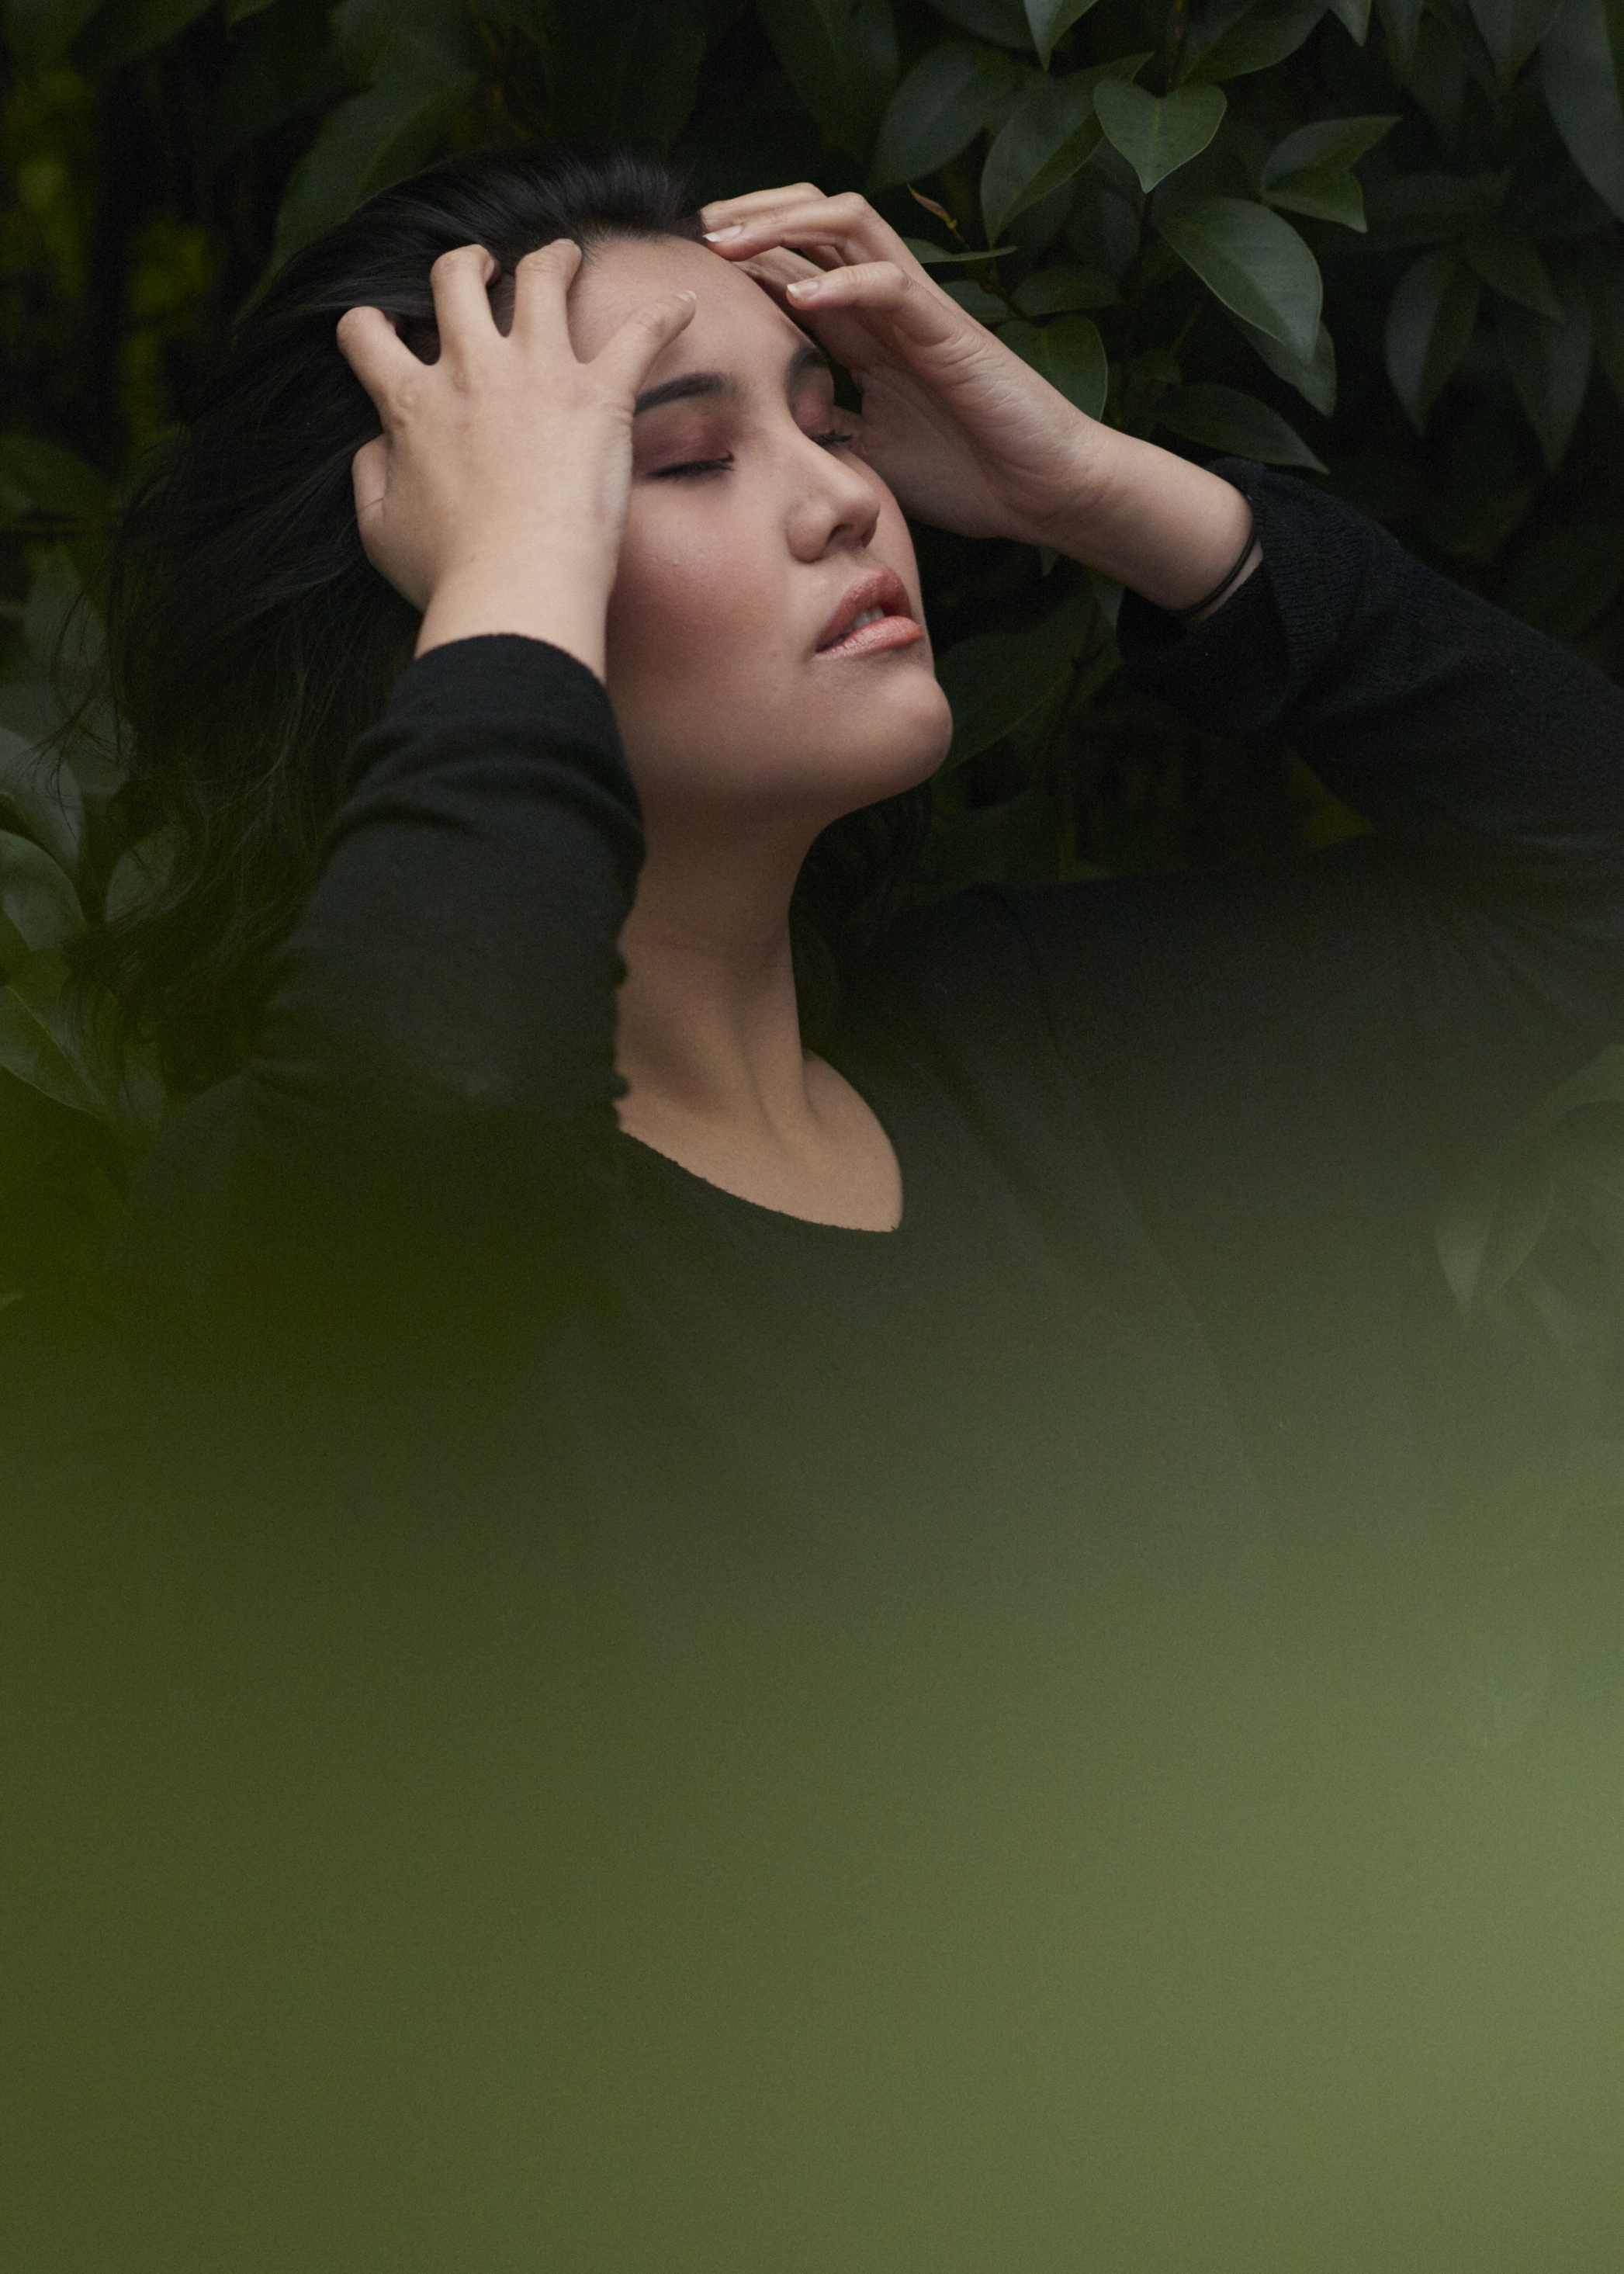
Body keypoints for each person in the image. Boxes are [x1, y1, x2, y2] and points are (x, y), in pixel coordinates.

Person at [11, 141, 1624, 2271]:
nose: (845, 497)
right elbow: (456, 1092)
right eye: (677, 459)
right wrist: (518, 571)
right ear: (461, 596)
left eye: (831, 419)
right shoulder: (314, 1219)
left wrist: (1090, 489)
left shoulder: (1031, 1063)